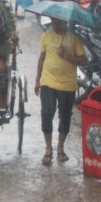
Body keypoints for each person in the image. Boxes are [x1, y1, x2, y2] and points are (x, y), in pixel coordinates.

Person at [35, 17, 86, 165]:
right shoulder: (45, 36)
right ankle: (48, 148)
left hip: (67, 85)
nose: (56, 25)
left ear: (63, 22)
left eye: (59, 22)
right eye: (54, 22)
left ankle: (60, 147)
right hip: (48, 82)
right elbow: (41, 59)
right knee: (46, 113)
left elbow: (83, 60)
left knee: (65, 116)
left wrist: (66, 56)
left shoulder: (74, 39)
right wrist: (37, 80)